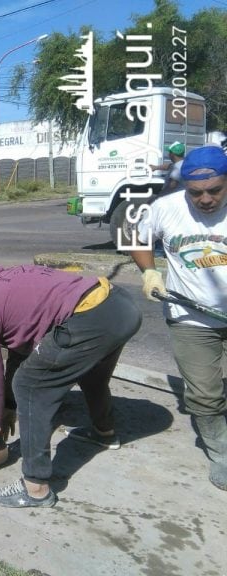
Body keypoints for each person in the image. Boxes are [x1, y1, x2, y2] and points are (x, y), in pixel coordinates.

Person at [0, 265, 141, 508]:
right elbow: (20, 351)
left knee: (29, 385)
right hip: (119, 306)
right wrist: (9, 406)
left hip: (91, 317)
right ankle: (103, 433)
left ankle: (35, 488)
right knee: (90, 373)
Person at [133, 145, 227, 491]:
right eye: (196, 193)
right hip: (189, 318)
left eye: (215, 190)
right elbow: (138, 239)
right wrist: (149, 272)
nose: (205, 200)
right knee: (204, 394)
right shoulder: (165, 208)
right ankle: (221, 454)